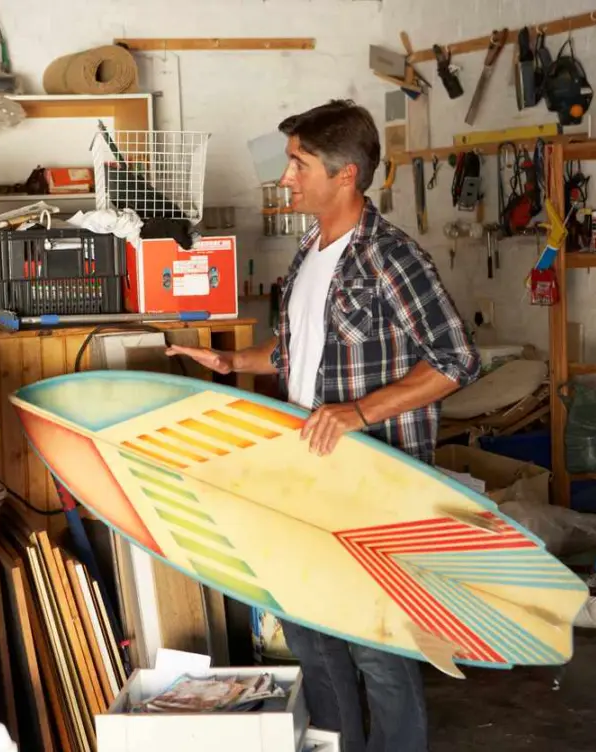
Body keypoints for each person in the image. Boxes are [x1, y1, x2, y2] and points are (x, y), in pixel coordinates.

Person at [167, 100, 480, 751]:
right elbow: (293, 351)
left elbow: (455, 360)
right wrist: (231, 360)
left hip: (370, 487)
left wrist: (357, 413)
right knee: (311, 641)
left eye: (297, 163)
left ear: (345, 175)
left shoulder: (390, 258)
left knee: (379, 655)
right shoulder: (310, 250)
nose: (285, 178)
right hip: (304, 479)